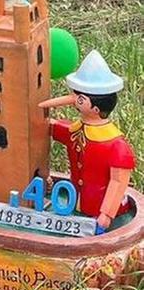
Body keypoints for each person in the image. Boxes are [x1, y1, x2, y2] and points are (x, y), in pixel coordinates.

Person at [38, 50, 134, 231]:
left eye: (79, 98)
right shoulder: (77, 131)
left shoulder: (116, 145)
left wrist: (106, 213)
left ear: (96, 108)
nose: (72, 99)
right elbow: (60, 130)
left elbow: (118, 182)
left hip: (99, 211)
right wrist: (43, 123)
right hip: (75, 203)